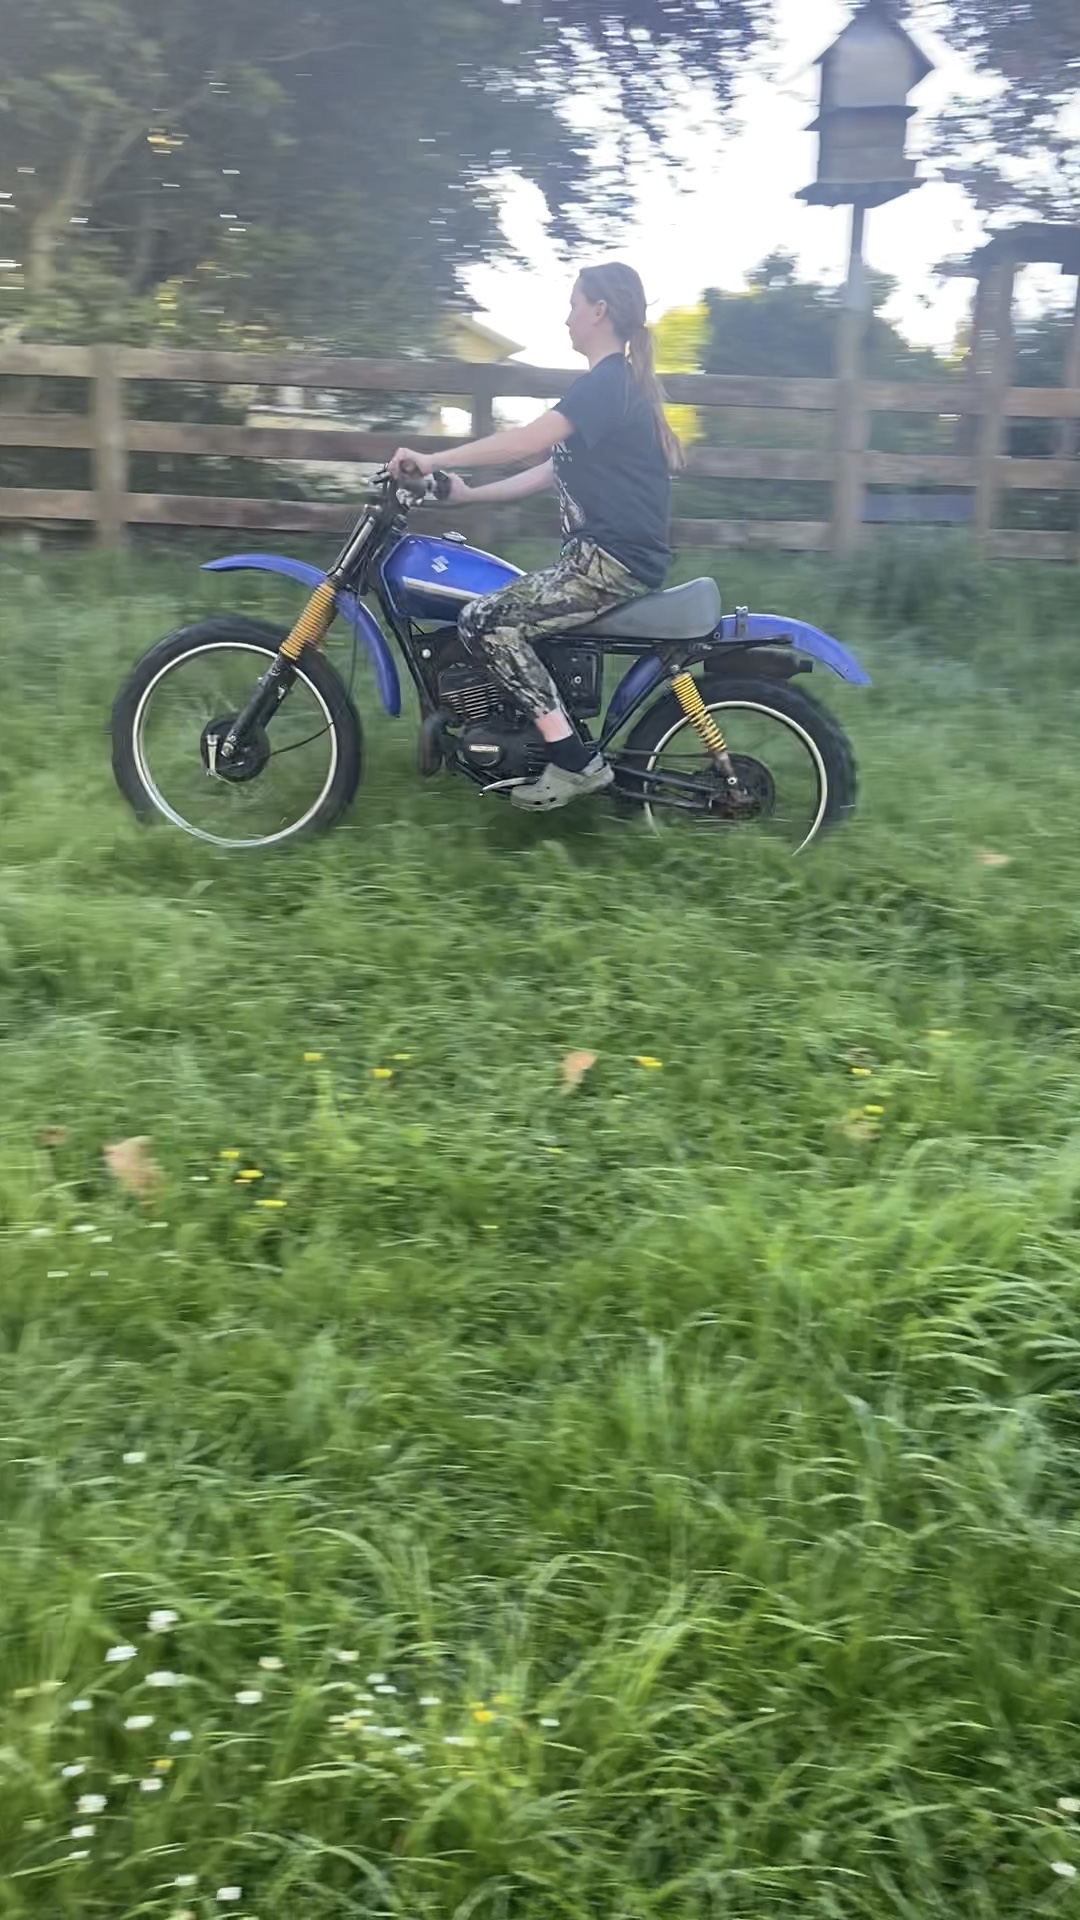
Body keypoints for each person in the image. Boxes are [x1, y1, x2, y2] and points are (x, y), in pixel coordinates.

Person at [390, 262, 681, 811]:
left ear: (599, 311)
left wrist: (431, 457)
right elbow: (550, 469)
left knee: (485, 620)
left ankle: (572, 761)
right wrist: (468, 494)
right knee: (505, 610)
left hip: (609, 562)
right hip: (599, 558)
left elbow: (525, 442)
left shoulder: (608, 382)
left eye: (574, 305)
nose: (567, 317)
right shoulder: (611, 385)